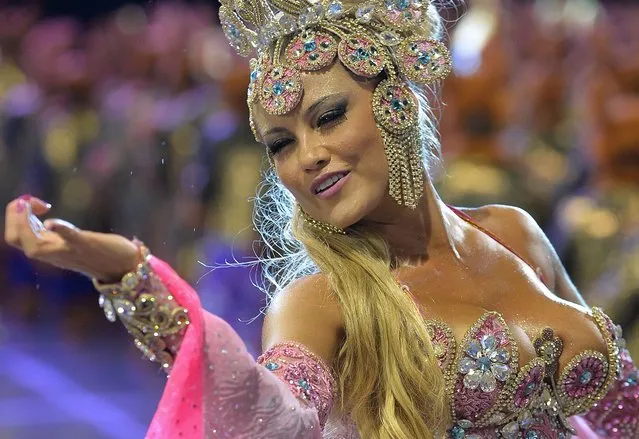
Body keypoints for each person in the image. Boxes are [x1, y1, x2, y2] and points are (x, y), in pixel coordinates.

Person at [4, 0, 639, 437]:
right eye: (280, 143)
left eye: (328, 116)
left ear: (395, 101)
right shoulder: (318, 303)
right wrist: (131, 274)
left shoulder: (514, 232)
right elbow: (271, 418)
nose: (307, 156)